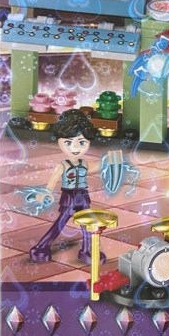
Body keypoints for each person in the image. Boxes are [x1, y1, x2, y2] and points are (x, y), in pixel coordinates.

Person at [29, 109, 105, 264]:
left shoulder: (84, 163)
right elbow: (53, 180)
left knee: (87, 222)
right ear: (60, 141)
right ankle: (42, 246)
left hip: (83, 196)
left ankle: (87, 249)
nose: (75, 147)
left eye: (82, 142)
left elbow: (96, 166)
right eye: (68, 142)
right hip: (69, 196)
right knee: (61, 222)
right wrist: (47, 192)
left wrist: (108, 161)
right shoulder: (63, 165)